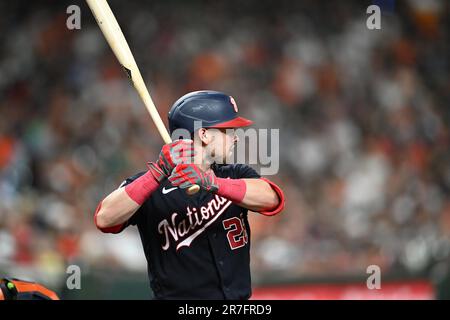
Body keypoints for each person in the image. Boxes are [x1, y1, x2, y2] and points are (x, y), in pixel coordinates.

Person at [94, 90, 285, 299]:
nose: (235, 138)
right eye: (228, 130)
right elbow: (105, 218)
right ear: (204, 134)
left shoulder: (234, 174)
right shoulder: (150, 185)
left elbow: (272, 199)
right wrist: (156, 174)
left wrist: (210, 182)